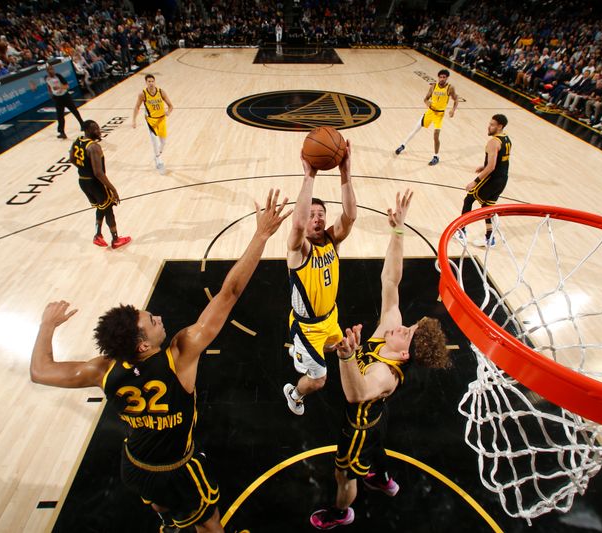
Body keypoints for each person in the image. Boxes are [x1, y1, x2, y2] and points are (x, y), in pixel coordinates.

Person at [29, 190, 290, 533]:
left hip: (136, 465)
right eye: (151, 321)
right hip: (177, 468)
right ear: (140, 345)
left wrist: (46, 326)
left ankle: (168, 520)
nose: (159, 318)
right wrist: (261, 235)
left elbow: (40, 371)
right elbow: (229, 293)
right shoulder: (180, 355)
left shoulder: (102, 369)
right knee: (210, 524)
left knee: (161, 504)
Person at [309, 190, 450, 530]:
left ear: (404, 354)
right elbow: (391, 279)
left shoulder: (385, 374)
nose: (402, 325)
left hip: (358, 424)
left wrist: (347, 356)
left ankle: (342, 513)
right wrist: (398, 231)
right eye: (410, 324)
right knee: (378, 444)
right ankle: (381, 475)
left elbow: (355, 395)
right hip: (377, 417)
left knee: (344, 474)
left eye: (408, 331)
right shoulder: (390, 331)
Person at [283, 143, 357, 416]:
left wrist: (345, 172)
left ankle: (302, 356)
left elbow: (350, 216)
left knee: (339, 348)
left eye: (321, 215)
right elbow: (298, 225)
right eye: (312, 214)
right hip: (307, 327)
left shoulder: (331, 240)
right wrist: (309, 176)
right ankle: (295, 393)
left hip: (330, 318)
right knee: (319, 379)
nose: (316, 219)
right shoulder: (298, 248)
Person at [69, 120, 131, 249]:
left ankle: (98, 235)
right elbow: (98, 173)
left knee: (101, 206)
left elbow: (72, 159)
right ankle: (115, 239)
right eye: (96, 129)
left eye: (98, 128)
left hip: (83, 181)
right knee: (108, 209)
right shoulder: (93, 147)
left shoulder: (77, 141)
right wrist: (113, 189)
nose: (99, 131)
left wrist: (83, 169)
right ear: (88, 130)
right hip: (95, 182)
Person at [456, 114, 511, 248]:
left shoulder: (493, 142)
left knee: (468, 199)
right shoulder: (506, 139)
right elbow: (499, 160)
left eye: (492, 124)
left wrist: (475, 181)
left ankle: (462, 232)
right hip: (502, 180)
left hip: (491, 179)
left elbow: (492, 166)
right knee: (487, 207)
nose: (489, 126)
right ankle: (489, 239)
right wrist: (484, 165)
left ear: (499, 126)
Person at [395, 69, 458, 165]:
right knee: (415, 129)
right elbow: (425, 98)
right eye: (440, 77)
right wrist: (427, 102)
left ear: (447, 78)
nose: (441, 79)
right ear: (438, 77)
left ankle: (436, 157)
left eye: (444, 77)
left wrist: (453, 110)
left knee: (436, 136)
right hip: (430, 112)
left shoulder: (450, 88)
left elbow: (456, 99)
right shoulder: (433, 86)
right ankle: (402, 145)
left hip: (439, 115)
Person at [132, 74, 174, 171]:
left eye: (152, 81)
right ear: (146, 83)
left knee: (163, 142)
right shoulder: (142, 94)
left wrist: (168, 112)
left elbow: (171, 106)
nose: (151, 83)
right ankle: (158, 159)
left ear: (155, 82)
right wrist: (134, 120)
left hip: (162, 119)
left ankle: (157, 154)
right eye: (149, 81)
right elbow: (137, 107)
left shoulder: (161, 92)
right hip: (151, 120)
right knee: (155, 141)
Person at [45, 64, 85, 139]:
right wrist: (50, 93)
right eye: (49, 70)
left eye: (52, 69)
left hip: (65, 96)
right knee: (60, 116)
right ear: (47, 71)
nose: (51, 71)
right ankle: (62, 132)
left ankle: (82, 124)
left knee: (74, 111)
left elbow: (67, 86)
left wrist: (59, 87)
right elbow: (49, 86)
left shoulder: (59, 76)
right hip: (57, 98)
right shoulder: (46, 78)